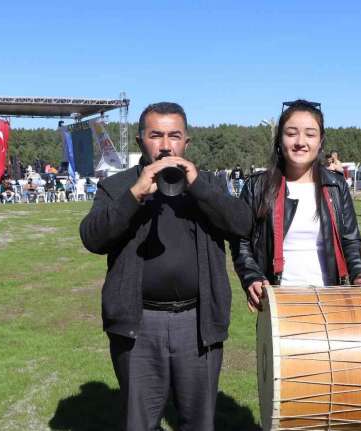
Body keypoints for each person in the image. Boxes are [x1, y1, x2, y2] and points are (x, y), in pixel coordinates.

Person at [79, 102, 251, 430]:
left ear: (186, 141)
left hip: (198, 323)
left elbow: (242, 223)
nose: (166, 144)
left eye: (174, 135)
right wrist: (134, 196)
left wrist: (198, 186)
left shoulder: (208, 182)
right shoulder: (118, 186)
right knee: (140, 422)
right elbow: (92, 239)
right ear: (141, 140)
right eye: (156, 135)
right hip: (138, 324)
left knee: (199, 423)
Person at [232, 99, 361, 315]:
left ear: (320, 141)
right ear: (279, 139)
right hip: (278, 303)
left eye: (310, 134)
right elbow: (240, 241)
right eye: (291, 133)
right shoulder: (257, 186)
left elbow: (351, 241)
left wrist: (359, 273)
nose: (300, 141)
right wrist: (252, 276)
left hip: (330, 299)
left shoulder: (336, 186)